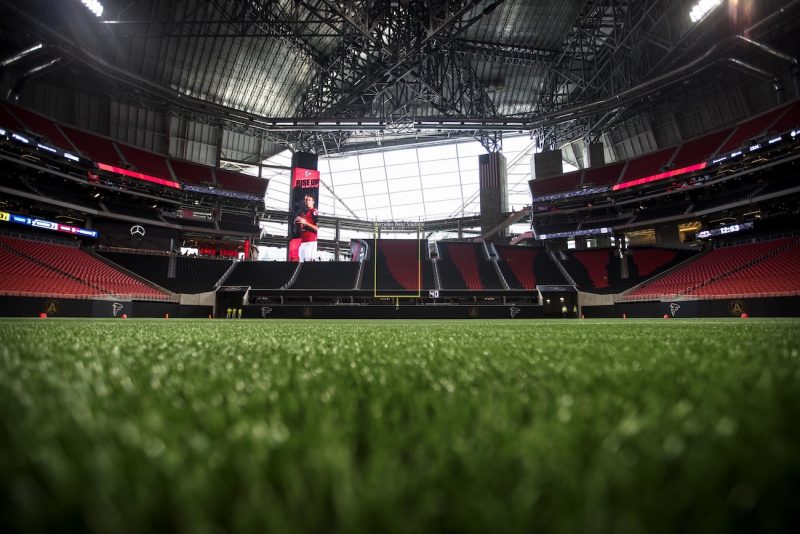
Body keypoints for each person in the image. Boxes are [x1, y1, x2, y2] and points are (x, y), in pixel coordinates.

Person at [294, 194, 319, 262]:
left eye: (309, 200)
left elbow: (317, 229)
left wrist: (305, 223)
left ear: (313, 202)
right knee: (301, 264)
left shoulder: (315, 212)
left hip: (311, 243)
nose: (307, 201)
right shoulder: (304, 214)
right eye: (306, 200)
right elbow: (302, 229)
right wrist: (299, 223)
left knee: (308, 266)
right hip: (303, 243)